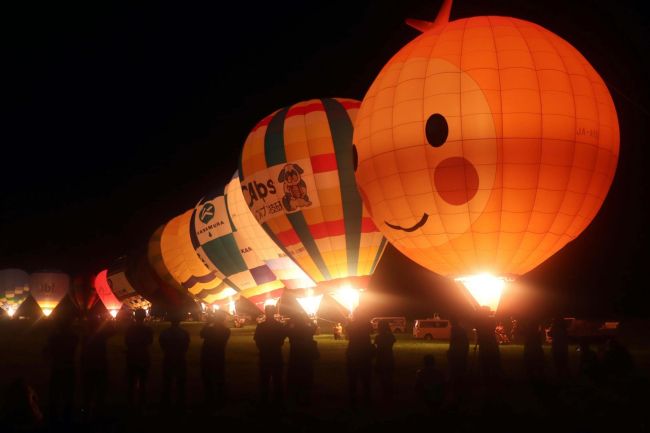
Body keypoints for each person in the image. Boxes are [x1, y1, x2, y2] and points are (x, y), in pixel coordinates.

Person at [43, 314, 78, 424]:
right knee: (68, 395)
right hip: (68, 368)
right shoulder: (74, 337)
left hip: (57, 368)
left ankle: (53, 418)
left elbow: (46, 352)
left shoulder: (54, 337)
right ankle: (67, 418)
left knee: (55, 395)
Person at [80, 314, 116, 421]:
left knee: (88, 391)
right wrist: (109, 321)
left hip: (89, 367)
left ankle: (87, 412)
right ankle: (98, 412)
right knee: (100, 391)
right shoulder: (101, 336)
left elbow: (83, 354)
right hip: (100, 366)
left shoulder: (85, 337)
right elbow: (114, 331)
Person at [254, 304, 287, 405]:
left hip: (265, 354)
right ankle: (278, 400)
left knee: (264, 378)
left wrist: (262, 348)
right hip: (276, 353)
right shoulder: (279, 326)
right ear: (274, 312)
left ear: (265, 312)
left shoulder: (261, 326)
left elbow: (257, 339)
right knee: (277, 378)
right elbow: (282, 339)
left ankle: (264, 400)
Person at [159, 310, 190, 411]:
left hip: (168, 357)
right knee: (180, 382)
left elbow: (162, 345)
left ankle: (166, 403)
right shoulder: (184, 333)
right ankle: (180, 403)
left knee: (167, 382)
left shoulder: (164, 333)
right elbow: (186, 346)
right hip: (180, 358)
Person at [200, 310, 230, 411]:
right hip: (219, 356)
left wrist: (208, 323)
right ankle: (220, 400)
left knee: (208, 379)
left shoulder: (209, 330)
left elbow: (201, 334)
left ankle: (209, 400)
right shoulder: (226, 331)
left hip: (207, 356)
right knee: (220, 378)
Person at [124, 309, 153, 412]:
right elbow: (150, 341)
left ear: (135, 316)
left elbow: (127, 341)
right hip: (143, 357)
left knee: (131, 382)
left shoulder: (129, 329)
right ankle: (142, 404)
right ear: (144, 316)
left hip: (132, 357)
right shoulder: (148, 329)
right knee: (143, 382)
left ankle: (130, 404)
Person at [286, 312, 318, 407]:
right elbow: (314, 326)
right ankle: (307, 398)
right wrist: (308, 319)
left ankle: (296, 397)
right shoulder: (308, 329)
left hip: (295, 356)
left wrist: (290, 321)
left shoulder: (293, 331)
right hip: (307, 356)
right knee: (307, 377)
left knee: (295, 377)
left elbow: (285, 329)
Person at [346, 311, 374, 408]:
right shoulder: (367, 324)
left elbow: (348, 332)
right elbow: (372, 331)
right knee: (366, 376)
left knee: (352, 377)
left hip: (353, 350)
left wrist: (350, 321)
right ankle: (367, 398)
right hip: (365, 351)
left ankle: (352, 399)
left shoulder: (351, 324)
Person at [374, 320, 396, 403]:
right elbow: (392, 342)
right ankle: (389, 397)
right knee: (389, 378)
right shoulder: (390, 336)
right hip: (389, 358)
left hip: (381, 359)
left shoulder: (378, 337)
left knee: (382, 379)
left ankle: (384, 397)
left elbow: (377, 348)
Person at [447, 317, 469, 387]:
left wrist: (450, 350)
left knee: (455, 367)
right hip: (462, 350)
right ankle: (460, 381)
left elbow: (452, 341)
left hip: (457, 351)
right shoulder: (462, 329)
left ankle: (455, 382)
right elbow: (466, 341)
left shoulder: (454, 329)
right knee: (461, 367)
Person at [549, 317, 569, 381]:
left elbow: (550, 334)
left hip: (557, 347)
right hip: (562, 347)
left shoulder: (555, 328)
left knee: (558, 363)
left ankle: (560, 376)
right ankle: (565, 376)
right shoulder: (564, 329)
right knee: (563, 362)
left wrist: (551, 326)